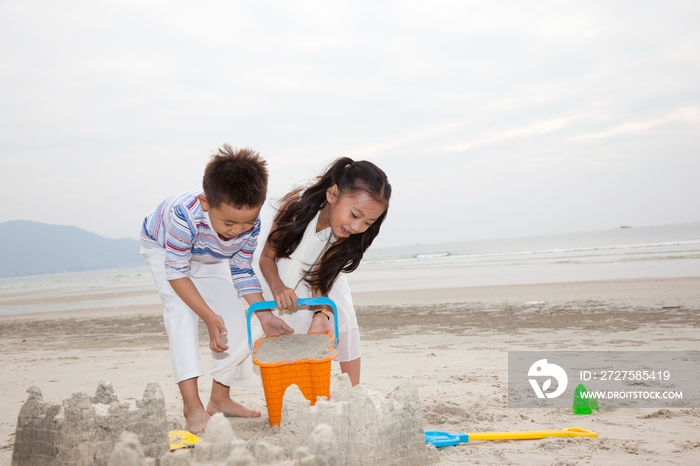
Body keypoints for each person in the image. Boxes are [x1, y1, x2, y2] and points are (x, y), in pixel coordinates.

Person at [139, 145, 293, 434]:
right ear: (206, 203)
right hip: (164, 247)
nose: (237, 230)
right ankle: (192, 409)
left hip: (208, 253)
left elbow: (242, 271)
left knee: (237, 316)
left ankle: (219, 399)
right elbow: (176, 273)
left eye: (247, 223)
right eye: (230, 222)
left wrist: (264, 315)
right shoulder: (183, 215)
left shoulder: (250, 224)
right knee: (182, 315)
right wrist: (208, 316)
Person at [258, 157, 391, 386]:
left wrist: (321, 313)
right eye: (355, 215)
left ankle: (352, 390)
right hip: (281, 268)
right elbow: (266, 257)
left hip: (322, 276)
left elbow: (319, 276)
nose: (357, 228)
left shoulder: (345, 234)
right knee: (287, 323)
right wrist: (278, 286)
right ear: (332, 195)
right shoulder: (295, 208)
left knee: (344, 317)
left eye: (368, 223)